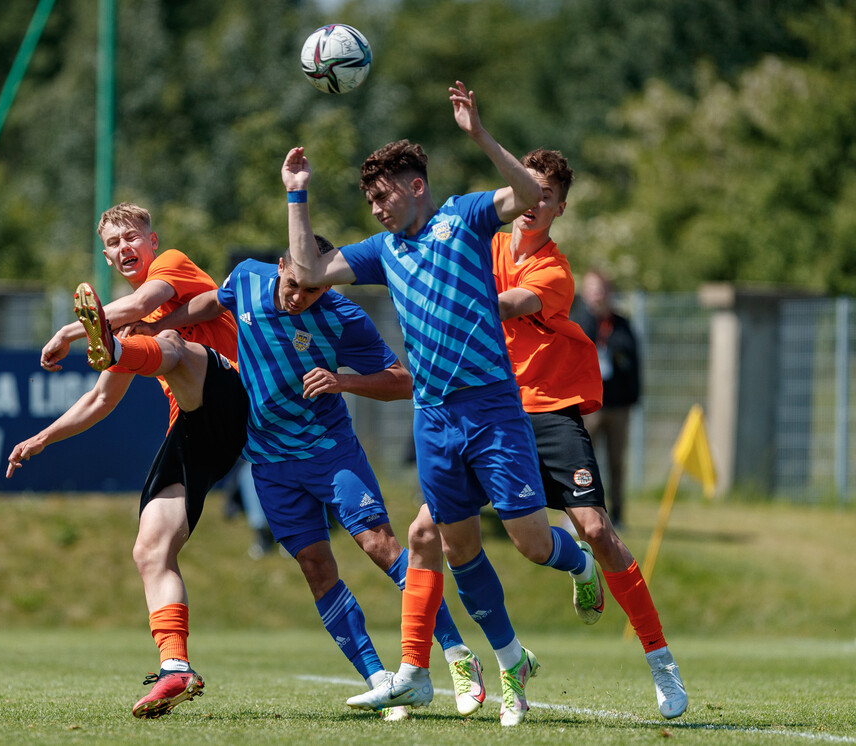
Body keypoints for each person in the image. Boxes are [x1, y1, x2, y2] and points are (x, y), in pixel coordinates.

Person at [281, 81, 601, 727]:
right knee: (456, 550)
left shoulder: (464, 216)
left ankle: (580, 561)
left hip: (492, 409)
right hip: (434, 416)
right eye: (368, 198)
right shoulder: (381, 252)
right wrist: (297, 194)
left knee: (532, 544)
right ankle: (512, 665)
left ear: (416, 186)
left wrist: (479, 133)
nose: (374, 208)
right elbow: (308, 273)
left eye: (382, 195)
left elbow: (530, 194)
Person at [142, 243, 489, 720]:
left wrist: (344, 382)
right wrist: (158, 325)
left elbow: (401, 380)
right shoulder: (246, 278)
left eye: (313, 289)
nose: (300, 297)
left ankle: (456, 654)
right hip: (268, 462)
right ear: (280, 266)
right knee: (316, 569)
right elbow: (210, 302)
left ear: (328, 284)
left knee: (379, 545)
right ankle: (380, 681)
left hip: (330, 452)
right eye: (293, 284)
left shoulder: (342, 317)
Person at [5, 202, 249, 720]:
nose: (122, 250)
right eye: (112, 245)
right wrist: (42, 438)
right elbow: (99, 401)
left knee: (168, 343)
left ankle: (114, 349)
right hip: (197, 428)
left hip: (237, 391)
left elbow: (140, 302)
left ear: (153, 240)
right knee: (150, 547)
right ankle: (176, 667)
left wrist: (72, 333)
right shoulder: (131, 325)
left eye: (130, 238)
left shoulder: (171, 268)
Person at [491, 148, 686, 719]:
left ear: (560, 207)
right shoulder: (484, 244)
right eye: (527, 188)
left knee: (599, 529)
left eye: (546, 194)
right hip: (493, 411)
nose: (534, 201)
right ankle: (419, 667)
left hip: (550, 412)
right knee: (432, 529)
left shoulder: (554, 269)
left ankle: (660, 659)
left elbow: (509, 304)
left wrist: (445, 297)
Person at [572, 270, 641, 529]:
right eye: (591, 289)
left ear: (609, 292)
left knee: (617, 463)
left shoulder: (621, 323)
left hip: (618, 405)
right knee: (584, 462)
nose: (597, 294)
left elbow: (633, 359)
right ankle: (584, 513)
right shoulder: (578, 320)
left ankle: (619, 515)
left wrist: (633, 394)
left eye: (601, 289)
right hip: (588, 405)